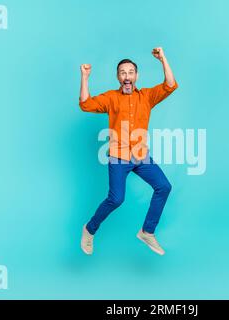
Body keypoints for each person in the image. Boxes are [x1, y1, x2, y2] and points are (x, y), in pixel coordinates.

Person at [78, 47, 178, 255]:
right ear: (118, 77)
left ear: (136, 76)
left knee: (164, 187)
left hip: (141, 155)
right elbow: (86, 104)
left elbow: (170, 85)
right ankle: (89, 229)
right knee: (116, 199)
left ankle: (147, 231)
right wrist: (85, 77)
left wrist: (163, 59)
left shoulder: (147, 96)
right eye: (123, 72)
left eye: (130, 72)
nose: (127, 76)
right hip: (118, 156)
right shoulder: (111, 98)